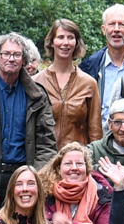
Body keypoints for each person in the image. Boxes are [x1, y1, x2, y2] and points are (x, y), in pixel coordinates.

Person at [0, 33, 56, 197]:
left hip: (24, 177)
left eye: (17, 54)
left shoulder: (37, 96)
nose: (11, 59)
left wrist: (33, 180)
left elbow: (47, 144)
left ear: (24, 60)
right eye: (6, 54)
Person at [34, 19, 99, 149]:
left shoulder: (89, 83)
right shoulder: (35, 82)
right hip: (44, 159)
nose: (65, 43)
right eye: (60, 37)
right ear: (51, 42)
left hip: (77, 160)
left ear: (76, 43)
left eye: (70, 38)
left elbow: (95, 132)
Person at [82, 4, 124, 128]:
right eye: (112, 24)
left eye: (122, 24)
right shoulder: (89, 67)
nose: (116, 29)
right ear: (103, 29)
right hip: (99, 141)